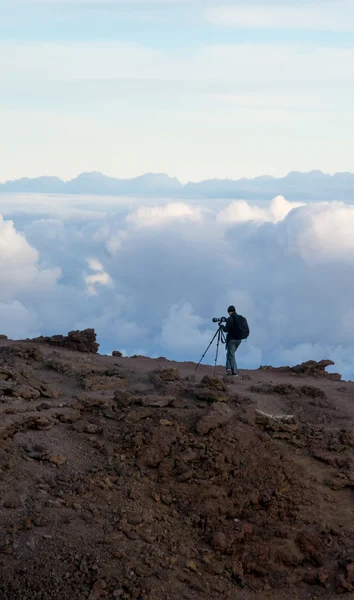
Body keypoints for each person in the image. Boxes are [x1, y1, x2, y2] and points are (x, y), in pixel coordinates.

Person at [220, 305, 242, 376]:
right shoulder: (239, 318)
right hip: (239, 340)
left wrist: (222, 326)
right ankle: (228, 368)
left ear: (229, 312)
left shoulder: (230, 319)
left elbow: (226, 330)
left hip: (232, 339)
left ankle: (235, 372)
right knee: (229, 354)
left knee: (231, 355)